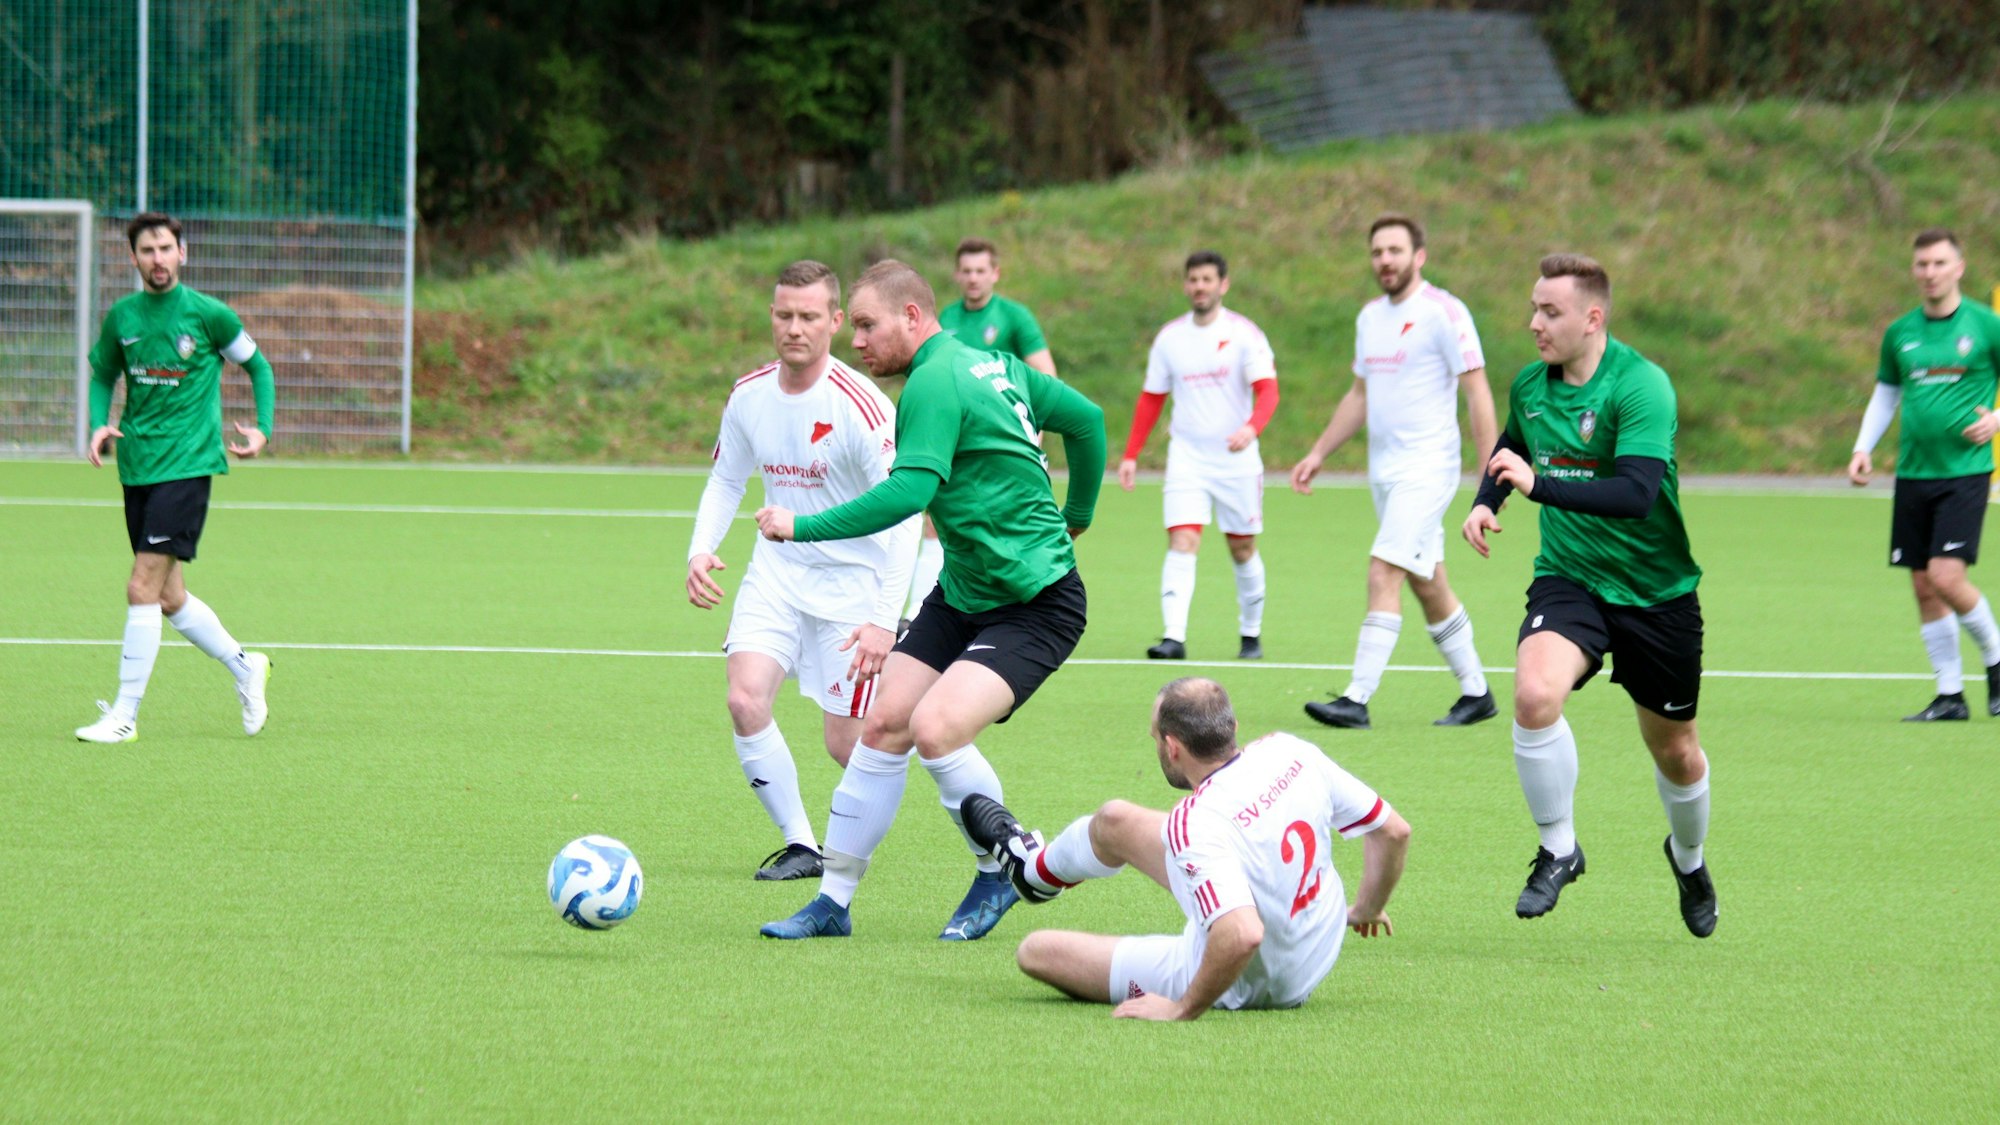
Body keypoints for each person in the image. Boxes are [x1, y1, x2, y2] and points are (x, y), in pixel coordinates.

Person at [751, 259, 1106, 941]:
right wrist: (1078, 513)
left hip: (1036, 602)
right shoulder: (992, 364)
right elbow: (1085, 420)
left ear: (912, 316)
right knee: (885, 722)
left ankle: (1002, 865)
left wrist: (802, 524)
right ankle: (832, 902)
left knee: (937, 727)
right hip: (965, 589)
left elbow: (910, 493)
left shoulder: (933, 382)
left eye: (866, 325)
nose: (856, 340)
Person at [1461, 253, 1717, 938]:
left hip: (1656, 591)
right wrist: (1488, 500)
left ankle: (1688, 858)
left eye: (1550, 312)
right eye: (1534, 308)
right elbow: (1512, 447)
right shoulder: (1531, 385)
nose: (1534, 323)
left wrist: (1538, 487)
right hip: (1570, 576)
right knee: (1534, 695)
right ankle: (1559, 849)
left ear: (1593, 318)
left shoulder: (1641, 386)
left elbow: (1636, 494)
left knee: (1676, 750)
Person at [960, 677, 1410, 1019]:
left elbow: (1242, 934)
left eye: (1155, 738)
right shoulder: (1291, 751)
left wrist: (1183, 1008)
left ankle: (1032, 877)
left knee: (1036, 951)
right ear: (1232, 727)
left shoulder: (1193, 823)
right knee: (1114, 820)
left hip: (1254, 982)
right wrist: (1366, 909)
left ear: (1172, 748)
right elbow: (1394, 831)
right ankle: (1032, 873)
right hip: (1320, 944)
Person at [686, 261, 918, 882]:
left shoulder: (861, 406)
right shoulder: (749, 395)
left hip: (853, 586)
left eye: (809, 316)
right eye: (785, 315)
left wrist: (885, 619)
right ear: (771, 316)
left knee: (848, 745)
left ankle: (958, 776)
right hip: (777, 577)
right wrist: (700, 549)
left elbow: (904, 516)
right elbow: (726, 479)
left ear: (835, 322)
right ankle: (802, 845)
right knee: (744, 699)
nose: (795, 328)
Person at [74, 212, 274, 744]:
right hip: (137, 464)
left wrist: (263, 428)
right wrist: (98, 422)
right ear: (134, 258)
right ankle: (245, 666)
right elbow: (103, 374)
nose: (158, 259)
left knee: (140, 585)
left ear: (182, 253)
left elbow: (259, 366)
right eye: (148, 250)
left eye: (166, 248)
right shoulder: (123, 317)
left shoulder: (209, 315)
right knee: (167, 596)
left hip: (188, 466)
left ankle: (124, 716)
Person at [1292, 214, 1497, 728]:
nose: (1384, 260)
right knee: (1428, 582)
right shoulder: (1369, 318)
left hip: (1428, 468)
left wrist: (1490, 479)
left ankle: (1356, 698)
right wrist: (1319, 452)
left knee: (1383, 569)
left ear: (1418, 256)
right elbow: (1359, 395)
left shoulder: (1444, 312)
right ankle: (1477, 692)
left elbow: (1477, 393)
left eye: (1395, 250)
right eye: (1377, 251)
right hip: (1384, 474)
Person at [1848, 228, 2000, 721]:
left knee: (1946, 577)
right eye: (1922, 264)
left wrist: (1998, 420)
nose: (1930, 273)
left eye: (1939, 263)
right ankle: (1950, 695)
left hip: (1965, 472)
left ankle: (1997, 660)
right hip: (1914, 473)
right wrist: (1863, 447)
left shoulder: (1986, 325)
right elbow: (1887, 394)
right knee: (1923, 586)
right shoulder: (1901, 332)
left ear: (1959, 268)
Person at [1118, 250, 1277, 661]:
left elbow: (1268, 390)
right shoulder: (1171, 338)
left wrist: (1251, 428)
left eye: (1207, 279)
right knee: (1182, 538)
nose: (1199, 287)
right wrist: (1132, 453)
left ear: (1223, 284)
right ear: (1185, 285)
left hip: (1236, 460)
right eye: (1193, 279)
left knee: (1242, 548)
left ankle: (1250, 635)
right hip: (1187, 457)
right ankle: (1173, 637)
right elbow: (1152, 399)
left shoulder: (1244, 334)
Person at [903, 238, 1061, 622]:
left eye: (980, 271)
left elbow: (1046, 377)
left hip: (1005, 444)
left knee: (1014, 525)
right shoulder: (946, 319)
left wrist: (1030, 434)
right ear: (957, 275)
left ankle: (1035, 608)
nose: (973, 278)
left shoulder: (1014, 317)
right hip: (957, 443)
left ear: (995, 274)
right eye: (967, 271)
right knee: (937, 523)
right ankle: (917, 612)